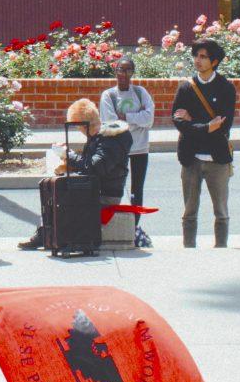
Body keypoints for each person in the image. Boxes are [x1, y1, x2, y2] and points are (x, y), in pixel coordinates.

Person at [19, 98, 132, 250]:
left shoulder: (111, 139)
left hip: (105, 194)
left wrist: (68, 155)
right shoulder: (101, 137)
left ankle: (44, 236)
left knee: (61, 198)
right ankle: (44, 234)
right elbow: (90, 164)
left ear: (82, 125)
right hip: (97, 189)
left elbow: (94, 166)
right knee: (57, 194)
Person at [172, 39, 236, 248]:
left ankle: (221, 249)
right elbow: (179, 122)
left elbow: (223, 126)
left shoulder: (226, 88)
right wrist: (206, 127)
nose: (197, 60)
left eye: (203, 57)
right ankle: (189, 249)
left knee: (221, 210)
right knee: (189, 211)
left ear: (214, 61)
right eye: (196, 56)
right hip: (190, 158)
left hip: (218, 159)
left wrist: (194, 122)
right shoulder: (186, 88)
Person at [99, 58, 154, 247]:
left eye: (128, 70)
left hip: (140, 148)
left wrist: (127, 117)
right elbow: (111, 123)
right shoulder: (109, 95)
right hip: (118, 150)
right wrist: (136, 121)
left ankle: (134, 227)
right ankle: (113, 226)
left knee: (137, 190)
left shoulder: (140, 92)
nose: (124, 74)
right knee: (115, 189)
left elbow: (149, 119)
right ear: (115, 71)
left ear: (133, 73)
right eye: (120, 70)